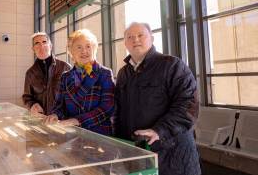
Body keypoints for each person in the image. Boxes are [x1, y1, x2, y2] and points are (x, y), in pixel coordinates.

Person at [114, 22, 200, 175]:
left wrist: (159, 130)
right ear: (125, 43)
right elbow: (119, 111)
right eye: (130, 37)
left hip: (172, 153)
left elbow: (188, 105)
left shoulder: (172, 65)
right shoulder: (123, 73)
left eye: (141, 35)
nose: (136, 40)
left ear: (152, 39)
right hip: (138, 153)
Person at [45, 29, 115, 135]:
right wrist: (55, 115)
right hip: (72, 133)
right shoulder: (65, 77)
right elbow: (59, 105)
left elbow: (107, 108)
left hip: (99, 135)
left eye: (88, 46)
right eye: (79, 47)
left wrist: (77, 121)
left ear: (94, 49)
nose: (84, 51)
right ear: (71, 52)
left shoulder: (104, 73)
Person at [22, 32, 71, 116]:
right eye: (37, 43)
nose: (41, 46)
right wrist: (32, 105)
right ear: (33, 49)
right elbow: (27, 97)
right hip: (41, 119)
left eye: (44, 42)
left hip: (62, 119)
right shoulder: (30, 73)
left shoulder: (65, 67)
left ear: (50, 46)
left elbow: (74, 95)